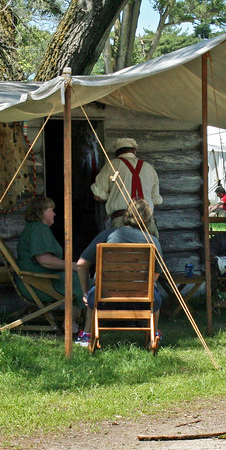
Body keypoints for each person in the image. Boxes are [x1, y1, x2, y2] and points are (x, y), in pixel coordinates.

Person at [74, 199, 164, 346]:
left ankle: (87, 335)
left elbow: (81, 264)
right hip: (142, 300)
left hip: (105, 298)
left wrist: (85, 292)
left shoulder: (107, 235)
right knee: (154, 292)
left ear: (126, 216)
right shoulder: (153, 241)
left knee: (95, 292)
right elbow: (154, 277)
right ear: (148, 220)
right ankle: (153, 334)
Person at [16, 196, 84, 328]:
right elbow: (45, 261)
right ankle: (70, 324)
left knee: (79, 277)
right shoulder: (38, 229)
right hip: (38, 283)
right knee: (82, 281)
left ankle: (73, 322)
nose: (54, 214)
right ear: (41, 212)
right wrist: (72, 266)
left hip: (38, 280)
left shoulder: (35, 228)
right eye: (51, 210)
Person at [91, 137, 162, 236]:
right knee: (150, 246)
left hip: (121, 220)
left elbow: (98, 195)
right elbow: (156, 200)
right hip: (147, 221)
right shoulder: (149, 168)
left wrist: (112, 196)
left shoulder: (111, 166)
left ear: (117, 152)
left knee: (123, 246)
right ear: (133, 150)